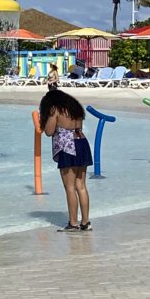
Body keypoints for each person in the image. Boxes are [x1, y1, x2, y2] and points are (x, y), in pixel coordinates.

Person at [39, 88, 93, 232]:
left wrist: (43, 122)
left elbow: (49, 132)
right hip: (82, 143)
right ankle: (86, 222)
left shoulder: (55, 110)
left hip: (68, 146)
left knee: (69, 188)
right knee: (81, 186)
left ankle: (73, 223)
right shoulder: (75, 108)